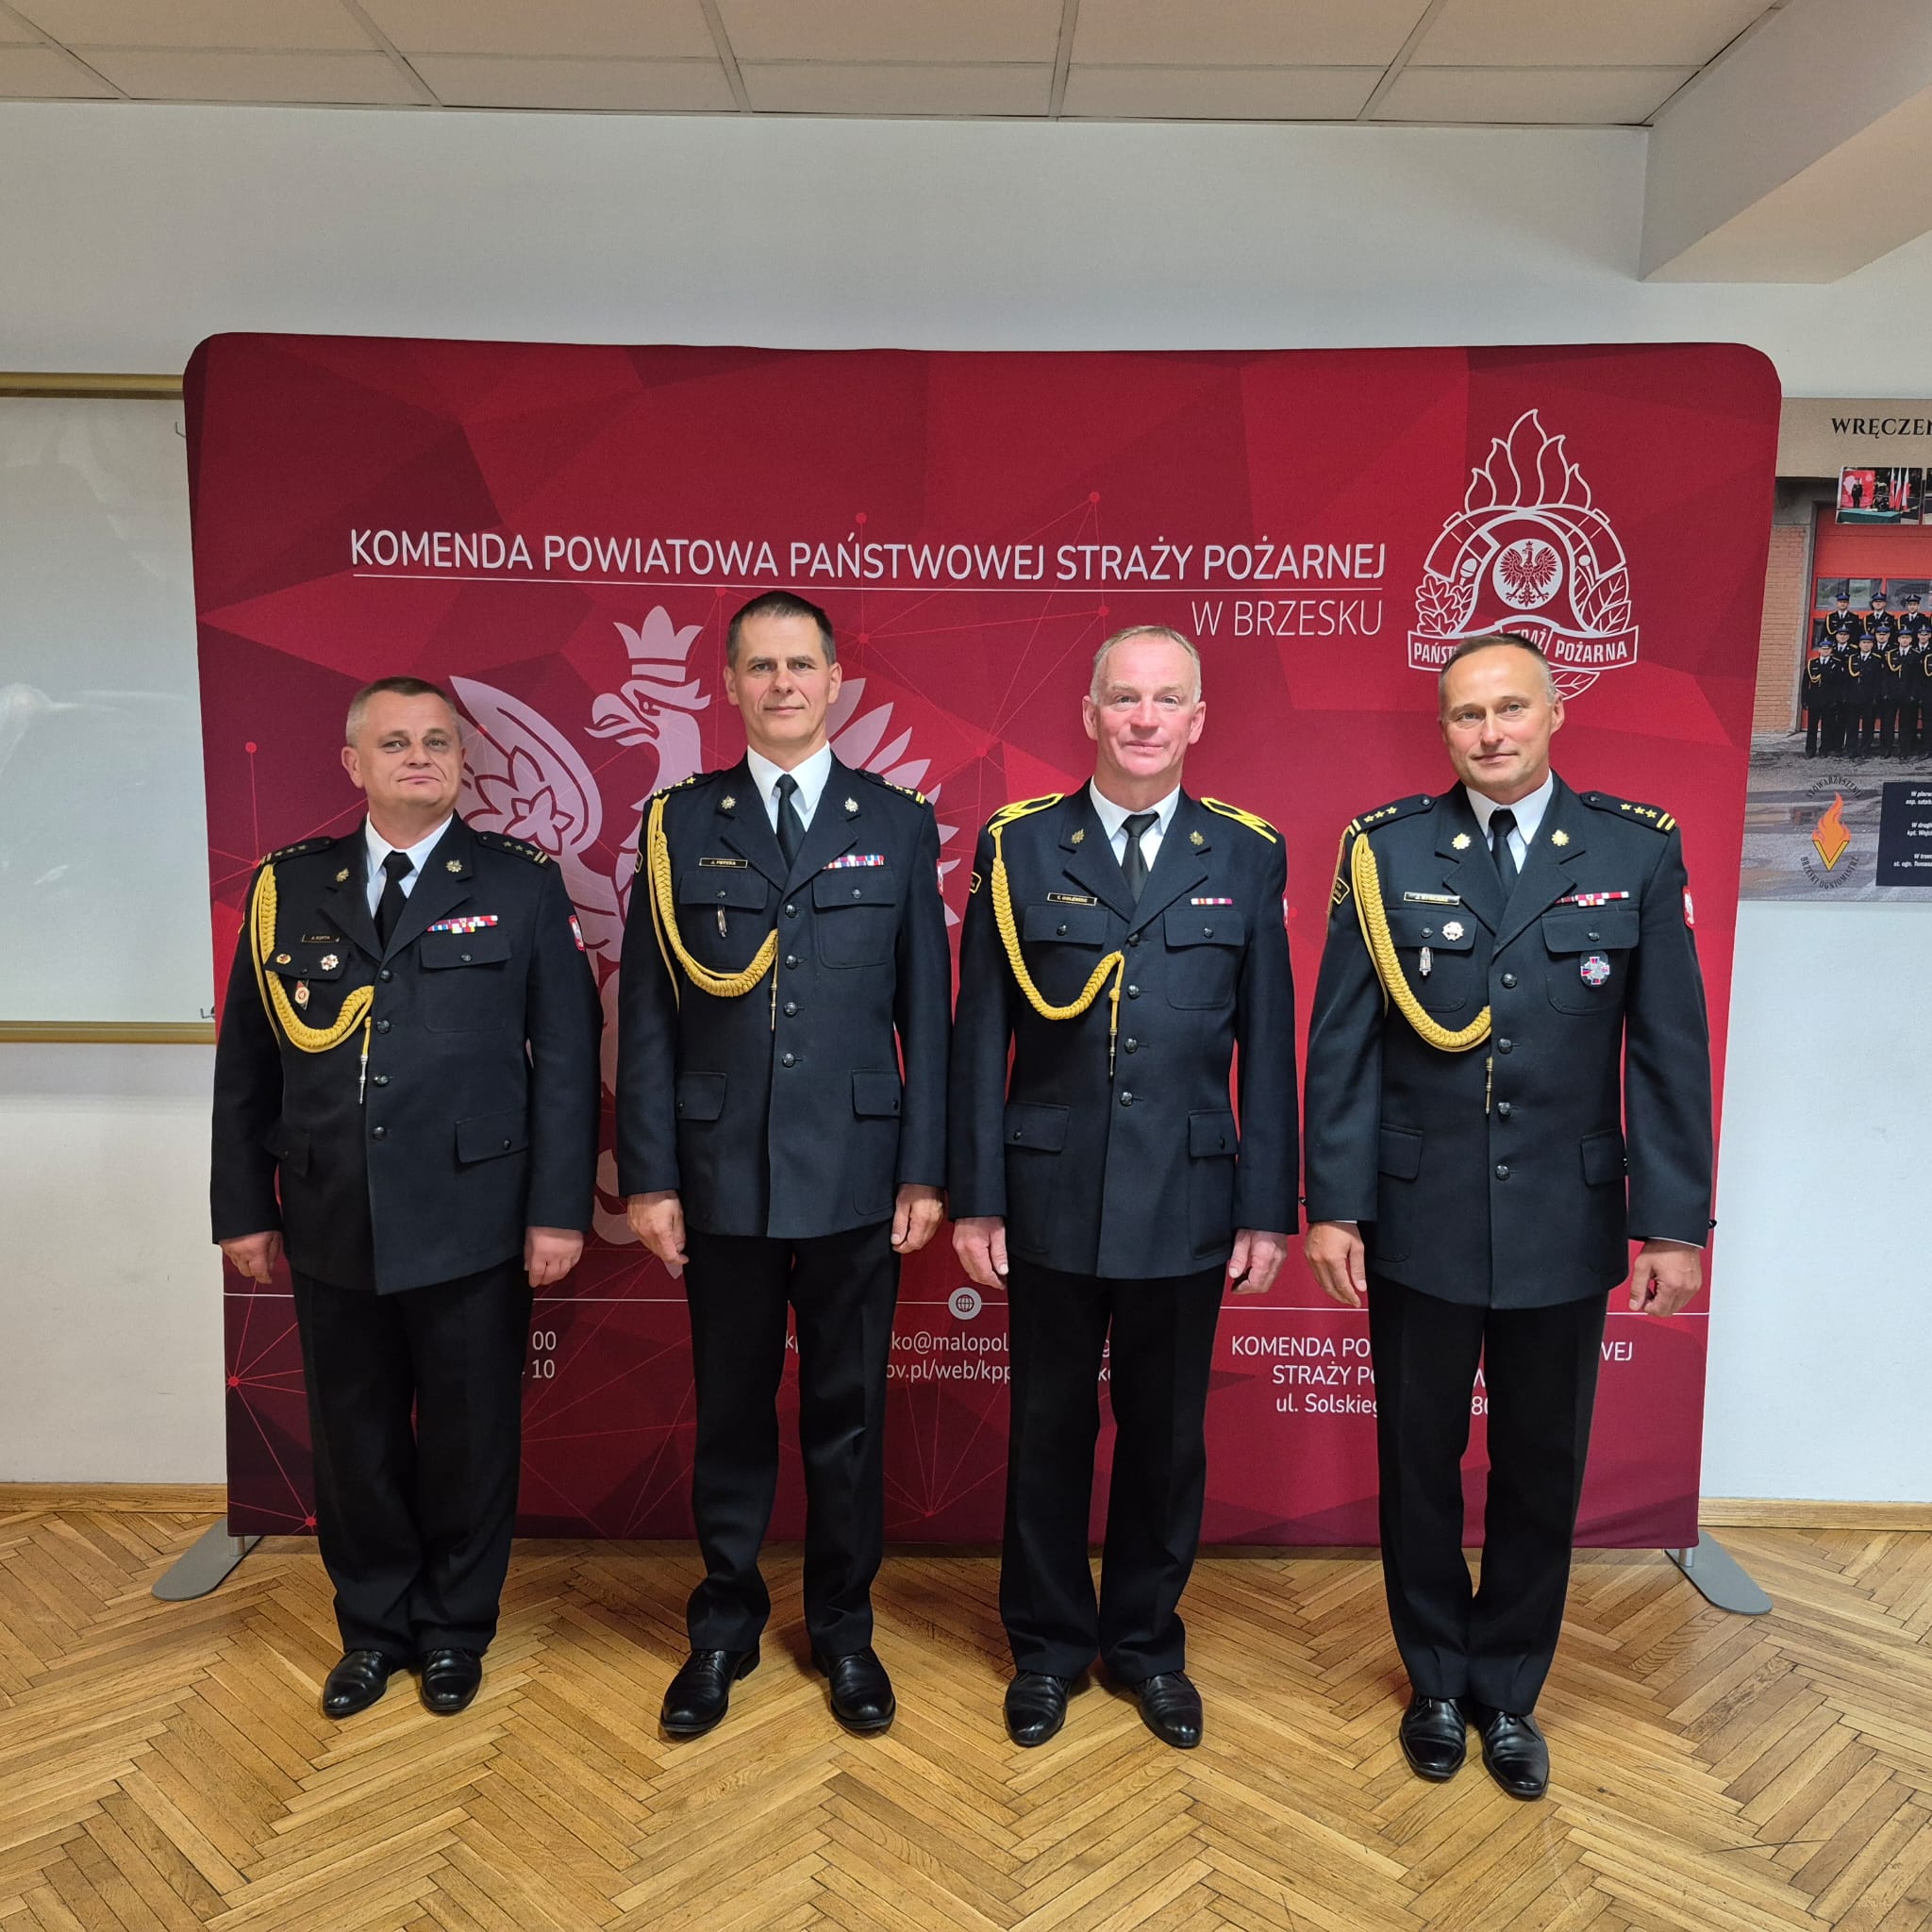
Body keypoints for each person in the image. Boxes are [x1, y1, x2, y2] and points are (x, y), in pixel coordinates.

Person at [1302, 633, 1712, 1802]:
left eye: (1509, 708)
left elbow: (1667, 1052)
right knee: (1416, 1458)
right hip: (1416, 1212)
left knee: (1540, 1462)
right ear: (1442, 729)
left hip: (1561, 1217)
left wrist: (1672, 1224)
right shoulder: (1384, 850)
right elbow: (1340, 1046)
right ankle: (1434, 1680)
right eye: (1465, 714)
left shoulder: (1633, 849)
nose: (1488, 732)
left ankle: (1508, 1689)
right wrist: (1333, 1205)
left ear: (1553, 712)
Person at [210, 677, 602, 1719]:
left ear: (463, 762)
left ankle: (454, 1630)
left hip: (475, 1214)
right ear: (355, 763)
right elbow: (246, 1062)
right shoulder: (289, 886)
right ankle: (374, 1629)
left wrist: (557, 1210)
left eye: (437, 740)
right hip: (333, 1211)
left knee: (470, 1439)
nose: (419, 756)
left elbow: (568, 1059)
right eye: (395, 742)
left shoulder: (519, 882)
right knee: (354, 1439)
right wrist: (242, 1206)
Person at [949, 625, 1297, 1751]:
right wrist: (976, 1192)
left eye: (1165, 699)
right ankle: (1046, 1646)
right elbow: (979, 1032)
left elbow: (1268, 1042)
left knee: (1165, 1437)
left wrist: (1264, 1204)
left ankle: (1145, 1643)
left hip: (1188, 1197)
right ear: (1090, 713)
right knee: (1046, 1431)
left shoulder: (1244, 852)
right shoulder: (1018, 845)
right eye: (1124, 697)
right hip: (1047, 1191)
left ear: (1196, 719)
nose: (1143, 718)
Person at [616, 591, 950, 1740]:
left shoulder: (896, 822)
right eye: (759, 666)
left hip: (858, 1167)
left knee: (847, 1416)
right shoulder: (676, 823)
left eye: (799, 664)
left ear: (834, 678)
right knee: (730, 1413)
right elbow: (647, 1014)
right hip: (721, 1171)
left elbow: (926, 1012)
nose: (781, 685)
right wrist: (650, 1175)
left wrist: (923, 1168)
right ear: (728, 682)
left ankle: (844, 1628)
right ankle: (723, 1624)